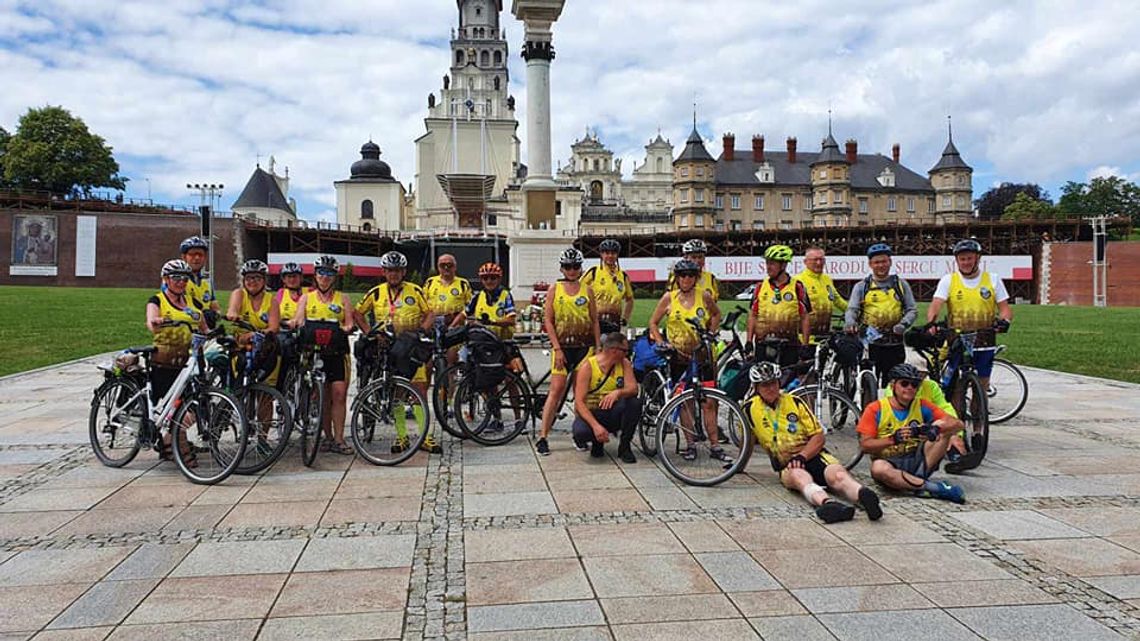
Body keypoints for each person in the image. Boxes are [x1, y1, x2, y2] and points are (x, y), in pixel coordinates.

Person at [744, 361, 881, 522]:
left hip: (813, 454)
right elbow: (748, 441)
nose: (771, 389)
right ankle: (828, 504)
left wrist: (802, 456)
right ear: (756, 387)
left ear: (779, 382)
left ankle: (863, 495)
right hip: (788, 464)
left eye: (773, 383)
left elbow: (818, 436)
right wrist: (739, 467)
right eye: (765, 385)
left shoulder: (795, 402)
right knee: (799, 477)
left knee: (838, 475)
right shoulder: (748, 409)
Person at [926, 238, 1013, 461]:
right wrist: (933, 322)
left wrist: (1004, 321)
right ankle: (958, 433)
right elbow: (936, 304)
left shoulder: (992, 280)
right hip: (958, 339)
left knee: (980, 389)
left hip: (984, 340)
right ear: (957, 260)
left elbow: (1004, 309)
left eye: (969, 258)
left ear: (977, 259)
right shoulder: (949, 280)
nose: (965, 262)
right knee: (956, 389)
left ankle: (977, 429)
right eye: (962, 258)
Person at [355, 251, 437, 453]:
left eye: (398, 271)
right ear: (384, 272)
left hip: (410, 347)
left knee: (419, 391)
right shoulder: (375, 292)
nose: (394, 274)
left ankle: (425, 436)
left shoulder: (415, 291)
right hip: (388, 348)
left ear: (404, 272)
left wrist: (422, 331)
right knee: (397, 393)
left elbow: (430, 313)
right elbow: (357, 312)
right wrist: (369, 332)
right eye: (390, 271)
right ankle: (402, 437)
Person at [648, 259, 725, 461]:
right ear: (677, 278)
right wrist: (660, 342)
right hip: (678, 357)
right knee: (685, 402)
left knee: (708, 401)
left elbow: (717, 314)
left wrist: (711, 332)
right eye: (682, 275)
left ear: (696, 278)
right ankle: (690, 445)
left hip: (702, 356)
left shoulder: (704, 296)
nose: (686, 279)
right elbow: (653, 323)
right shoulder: (669, 298)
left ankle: (715, 445)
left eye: (690, 275)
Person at [857, 364, 966, 503]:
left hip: (918, 458)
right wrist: (893, 440)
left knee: (944, 428)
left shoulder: (922, 405)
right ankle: (933, 488)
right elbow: (865, 445)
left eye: (914, 385)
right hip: (889, 461)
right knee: (878, 468)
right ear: (893, 385)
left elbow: (958, 424)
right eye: (904, 383)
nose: (909, 388)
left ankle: (917, 481)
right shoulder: (875, 409)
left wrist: (935, 429)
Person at [535, 248, 600, 456]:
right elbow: (548, 321)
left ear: (580, 269)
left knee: (580, 394)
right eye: (568, 267)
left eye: (575, 267)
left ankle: (579, 435)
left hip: (584, 347)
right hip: (562, 348)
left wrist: (598, 347)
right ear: (562, 269)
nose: (572, 271)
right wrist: (556, 348)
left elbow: (594, 320)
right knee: (556, 391)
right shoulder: (555, 289)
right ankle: (543, 436)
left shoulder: (587, 289)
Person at [146, 259, 208, 463]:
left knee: (188, 409)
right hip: (164, 362)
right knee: (172, 410)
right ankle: (176, 448)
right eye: (176, 278)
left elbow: (204, 328)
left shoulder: (193, 303)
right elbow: (151, 321)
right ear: (165, 279)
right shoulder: (157, 300)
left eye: (185, 278)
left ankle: (168, 442)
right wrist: (157, 321)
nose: (181, 282)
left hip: (187, 364)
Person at [291, 256, 355, 455]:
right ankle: (327, 437)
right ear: (315, 275)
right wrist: (293, 323)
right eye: (321, 273)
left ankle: (339, 438)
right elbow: (299, 319)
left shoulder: (342, 298)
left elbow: (349, 322)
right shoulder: (306, 297)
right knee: (323, 396)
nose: (324, 277)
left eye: (329, 273)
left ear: (334, 277)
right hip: (314, 351)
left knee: (339, 394)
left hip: (336, 350)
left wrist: (346, 327)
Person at [844, 243, 918, 385]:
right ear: (870, 264)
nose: (881, 265)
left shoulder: (900, 284)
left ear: (890, 262)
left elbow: (912, 310)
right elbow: (852, 309)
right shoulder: (861, 286)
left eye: (884, 261)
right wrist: (850, 322)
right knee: (867, 384)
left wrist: (903, 324)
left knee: (895, 384)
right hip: (869, 344)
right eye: (877, 262)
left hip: (894, 342)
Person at [571, 332, 641, 463]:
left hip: (613, 410)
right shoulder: (588, 367)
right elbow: (579, 402)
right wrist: (595, 426)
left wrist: (618, 393)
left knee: (634, 403)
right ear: (614, 351)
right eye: (625, 350)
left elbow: (633, 389)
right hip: (593, 412)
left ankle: (625, 446)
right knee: (581, 433)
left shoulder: (624, 364)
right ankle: (597, 442)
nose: (627, 354)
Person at [746, 244, 811, 366]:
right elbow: (753, 315)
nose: (768, 267)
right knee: (763, 382)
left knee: (787, 380)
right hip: (763, 344)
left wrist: (805, 345)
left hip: (789, 344)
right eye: (767, 263)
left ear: (784, 265)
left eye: (772, 264)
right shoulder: (760, 287)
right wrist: (749, 341)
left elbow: (805, 317)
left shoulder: (797, 287)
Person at [453, 262, 517, 341]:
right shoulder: (478, 296)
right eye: (485, 278)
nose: (489, 281)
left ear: (499, 279)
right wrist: (451, 328)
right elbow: (464, 314)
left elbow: (511, 320)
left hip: (501, 341)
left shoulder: (505, 295)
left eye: (493, 278)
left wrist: (491, 322)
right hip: (481, 340)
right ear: (481, 280)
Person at [795, 246, 847, 342]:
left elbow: (838, 301)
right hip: (804, 338)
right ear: (805, 262)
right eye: (815, 260)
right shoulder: (798, 281)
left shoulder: (827, 279)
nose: (819, 263)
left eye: (821, 260)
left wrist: (857, 311)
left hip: (825, 336)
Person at [581, 239, 634, 333]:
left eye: (613, 253)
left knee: (612, 346)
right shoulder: (594, 272)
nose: (610, 256)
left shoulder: (623, 276)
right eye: (606, 253)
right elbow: (578, 290)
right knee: (595, 347)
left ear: (617, 255)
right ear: (601, 254)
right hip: (595, 321)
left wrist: (625, 318)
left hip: (614, 321)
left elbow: (629, 299)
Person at [424, 253, 473, 341]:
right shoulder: (430, 282)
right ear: (438, 267)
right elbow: (423, 303)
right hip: (433, 324)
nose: (446, 268)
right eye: (443, 265)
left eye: (450, 265)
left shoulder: (463, 283)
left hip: (454, 323)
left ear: (455, 267)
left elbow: (469, 307)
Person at [178, 236, 220, 325]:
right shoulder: (176, 279)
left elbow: (215, 306)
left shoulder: (207, 281)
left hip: (206, 329)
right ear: (184, 257)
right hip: (186, 328)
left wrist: (216, 314)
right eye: (192, 254)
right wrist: (201, 315)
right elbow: (175, 305)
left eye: (200, 255)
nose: (197, 258)